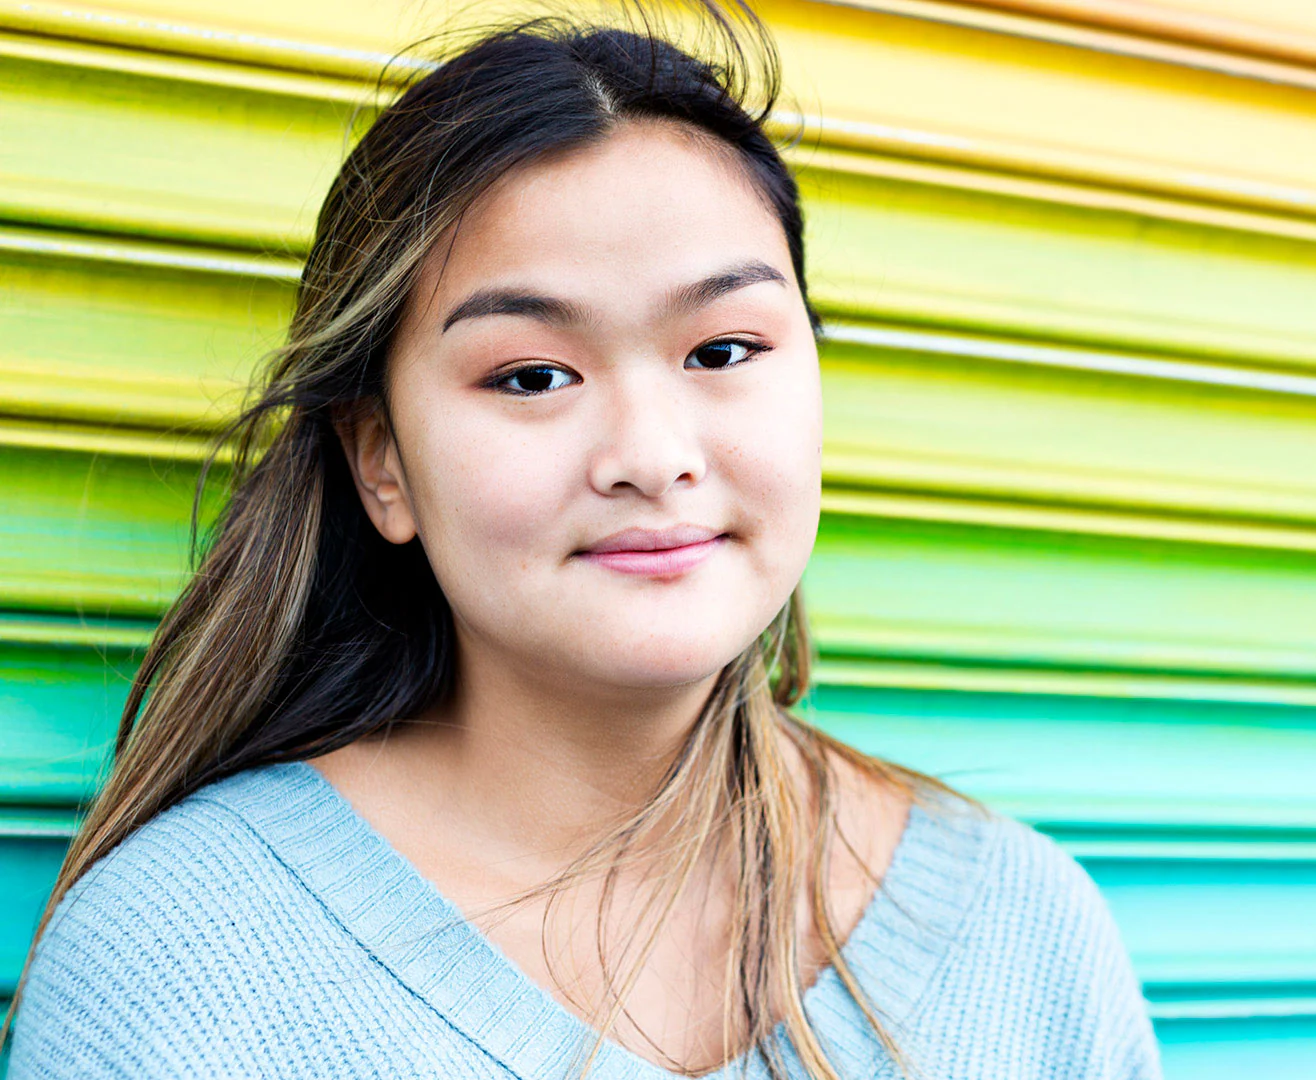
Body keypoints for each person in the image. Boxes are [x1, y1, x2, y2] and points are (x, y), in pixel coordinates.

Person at [3, 5, 1161, 1078]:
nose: (652, 456)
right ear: (382, 463)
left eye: (723, 351)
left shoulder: (1021, 929)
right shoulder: (178, 970)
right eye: (533, 374)